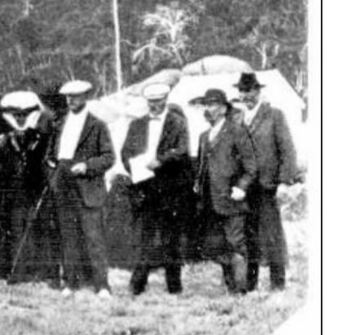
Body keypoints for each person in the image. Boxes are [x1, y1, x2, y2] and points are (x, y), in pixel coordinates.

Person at [120, 83, 193, 296]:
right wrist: (135, 168)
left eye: (158, 101)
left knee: (171, 238)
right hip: (145, 188)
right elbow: (125, 152)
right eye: (150, 101)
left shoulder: (178, 123)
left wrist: (160, 161)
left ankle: (174, 286)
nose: (154, 105)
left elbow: (182, 151)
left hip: (171, 188)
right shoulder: (137, 125)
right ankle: (138, 284)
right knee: (146, 237)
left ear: (166, 100)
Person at [46, 80, 115, 299]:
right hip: (64, 186)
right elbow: (50, 156)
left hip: (88, 188)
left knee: (94, 238)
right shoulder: (59, 124)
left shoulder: (97, 125)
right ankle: (71, 282)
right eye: (68, 97)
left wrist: (87, 166)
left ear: (85, 96)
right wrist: (54, 175)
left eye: (76, 96)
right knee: (68, 237)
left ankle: (102, 285)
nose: (71, 100)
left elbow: (109, 157)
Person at [233, 72, 299, 292]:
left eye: (250, 90)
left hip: (267, 186)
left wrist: (283, 182)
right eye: (242, 91)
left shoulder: (274, 115)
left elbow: (287, 151)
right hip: (245, 188)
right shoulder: (236, 118)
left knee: (271, 235)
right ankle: (250, 284)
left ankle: (277, 283)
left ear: (258, 91)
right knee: (249, 235)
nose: (246, 96)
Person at [0, 91, 58, 287]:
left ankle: (41, 273)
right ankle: (15, 272)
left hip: (37, 195)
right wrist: (4, 193)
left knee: (41, 232)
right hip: (12, 197)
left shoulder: (43, 139)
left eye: (24, 115)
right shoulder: (3, 140)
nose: (20, 118)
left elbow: (47, 167)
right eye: (16, 115)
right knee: (14, 233)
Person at [192, 88, 258, 294]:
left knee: (236, 243)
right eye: (205, 105)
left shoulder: (236, 131)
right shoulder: (204, 136)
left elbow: (251, 166)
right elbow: (203, 165)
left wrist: (241, 187)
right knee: (218, 245)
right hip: (210, 201)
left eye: (211, 105)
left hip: (232, 199)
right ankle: (231, 286)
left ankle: (240, 291)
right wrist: (198, 183)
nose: (207, 109)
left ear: (222, 109)